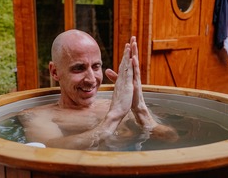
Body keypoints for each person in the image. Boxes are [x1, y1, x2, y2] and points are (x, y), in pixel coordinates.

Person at [18, 29, 178, 150]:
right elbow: (50, 148)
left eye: (96, 67)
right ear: (54, 72)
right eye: (78, 68)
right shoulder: (38, 115)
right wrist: (113, 118)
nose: (91, 79)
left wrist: (139, 108)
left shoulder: (117, 105)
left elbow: (171, 138)